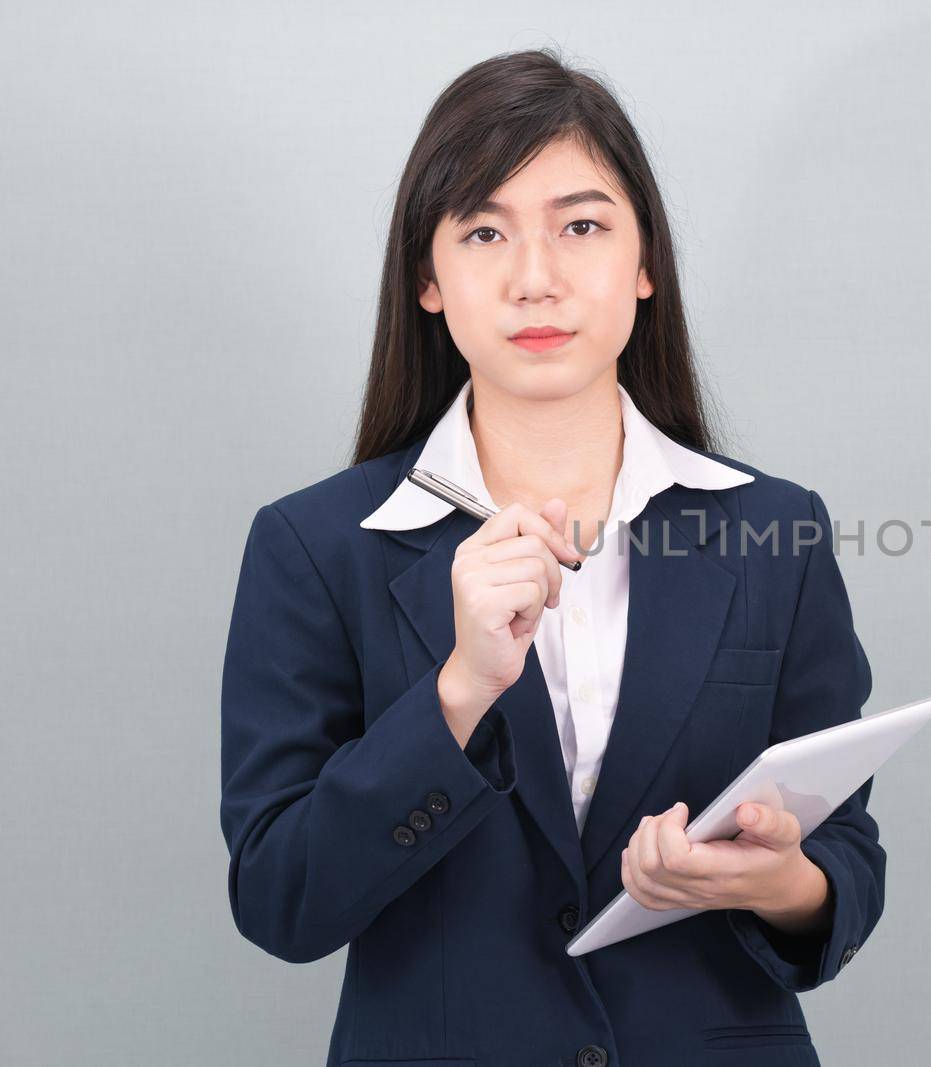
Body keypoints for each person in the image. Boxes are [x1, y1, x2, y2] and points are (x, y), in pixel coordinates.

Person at [217, 48, 883, 1067]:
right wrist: (457, 692)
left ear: (645, 263)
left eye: (581, 225)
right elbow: (280, 900)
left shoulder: (773, 530)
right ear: (429, 280)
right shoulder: (315, 546)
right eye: (484, 231)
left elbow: (845, 858)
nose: (537, 278)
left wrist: (777, 880)